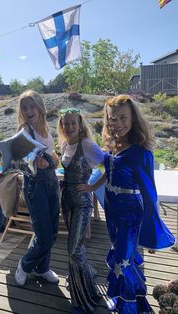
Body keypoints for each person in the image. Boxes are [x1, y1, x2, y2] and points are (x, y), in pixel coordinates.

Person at [78, 95, 175, 313]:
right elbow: (109, 170)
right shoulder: (113, 144)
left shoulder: (141, 152)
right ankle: (135, 294)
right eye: (113, 119)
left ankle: (129, 305)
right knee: (126, 256)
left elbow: (151, 195)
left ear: (133, 119)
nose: (117, 124)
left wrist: (151, 234)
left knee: (124, 259)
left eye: (123, 118)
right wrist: (93, 188)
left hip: (131, 213)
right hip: (112, 211)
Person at [57, 108, 105, 314]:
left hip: (82, 203)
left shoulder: (87, 145)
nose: (68, 127)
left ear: (80, 124)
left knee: (74, 250)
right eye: (65, 123)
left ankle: (83, 297)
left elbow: (108, 166)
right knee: (77, 247)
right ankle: (82, 277)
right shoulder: (65, 145)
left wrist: (93, 187)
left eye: (72, 123)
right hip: (66, 202)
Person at [14, 90, 60, 286]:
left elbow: (52, 155)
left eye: (32, 106)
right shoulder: (24, 131)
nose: (28, 110)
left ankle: (42, 269)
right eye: (25, 108)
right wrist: (36, 163)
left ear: (40, 108)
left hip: (51, 183)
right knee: (45, 235)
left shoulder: (46, 130)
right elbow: (18, 161)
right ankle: (24, 265)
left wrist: (53, 158)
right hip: (35, 186)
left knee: (53, 232)